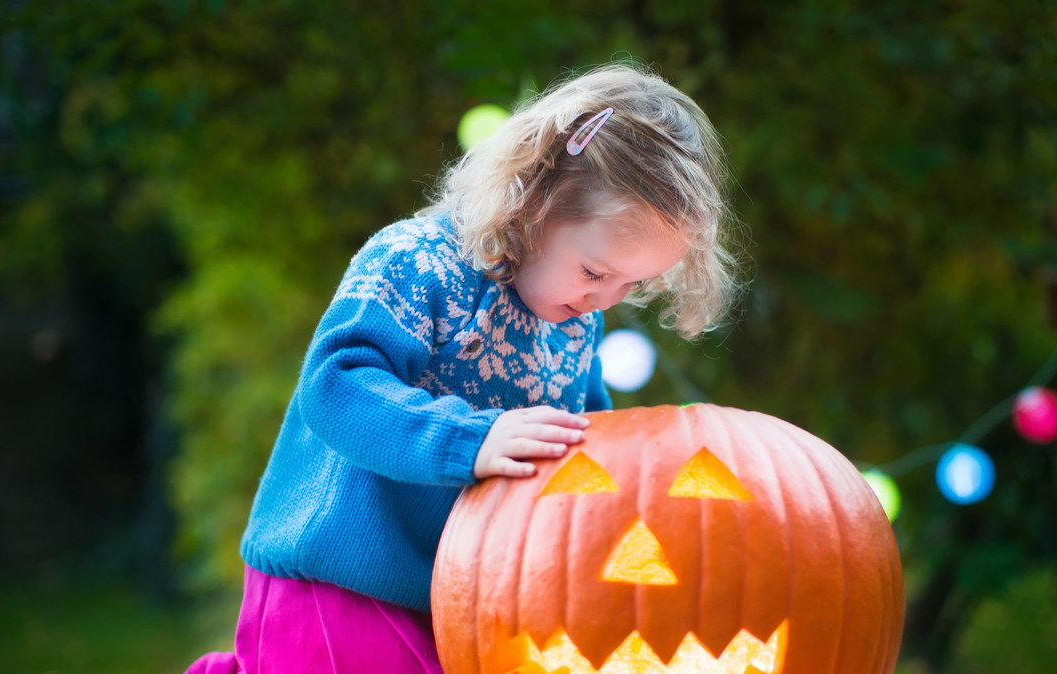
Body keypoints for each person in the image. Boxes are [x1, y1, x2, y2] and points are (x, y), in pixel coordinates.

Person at [185, 61, 740, 674]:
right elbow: (334, 385)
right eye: (594, 272)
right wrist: (470, 440)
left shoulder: (577, 322)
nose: (604, 299)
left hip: (464, 593)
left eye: (633, 284)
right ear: (534, 203)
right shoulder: (418, 260)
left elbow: (589, 456)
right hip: (340, 573)